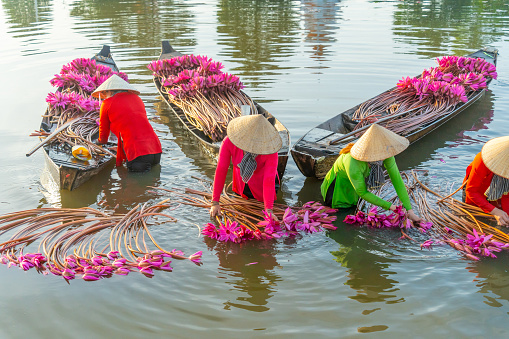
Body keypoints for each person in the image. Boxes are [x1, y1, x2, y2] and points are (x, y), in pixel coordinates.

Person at [320, 124, 422, 222]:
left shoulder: (386, 152)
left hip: (354, 186)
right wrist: (391, 207)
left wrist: (410, 211)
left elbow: (397, 179)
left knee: (355, 206)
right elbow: (362, 192)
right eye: (379, 155)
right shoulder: (352, 162)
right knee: (339, 214)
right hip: (337, 189)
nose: (383, 157)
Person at [209, 114, 282, 218]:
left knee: (259, 212)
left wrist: (269, 210)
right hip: (242, 183)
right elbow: (221, 170)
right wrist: (215, 202)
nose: (251, 146)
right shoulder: (229, 142)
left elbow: (268, 180)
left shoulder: (270, 151)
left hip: (263, 185)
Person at [92, 74, 162, 172]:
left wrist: (98, 142)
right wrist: (121, 149)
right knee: (153, 182)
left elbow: (103, 133)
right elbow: (134, 126)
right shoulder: (137, 98)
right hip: (155, 149)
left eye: (105, 93)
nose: (104, 96)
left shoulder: (107, 103)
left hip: (138, 155)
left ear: (110, 91)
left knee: (134, 185)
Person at [463, 136, 509, 226]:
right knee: (475, 222)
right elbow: (472, 191)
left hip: (502, 194)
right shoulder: (482, 160)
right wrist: (495, 211)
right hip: (478, 192)